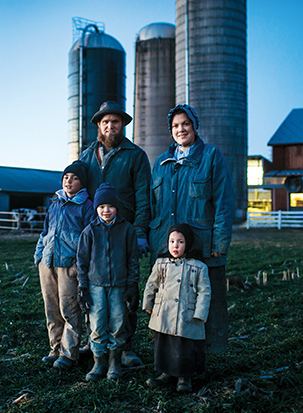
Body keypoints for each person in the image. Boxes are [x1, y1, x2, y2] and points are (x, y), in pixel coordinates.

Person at [149, 104, 234, 354]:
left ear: (195, 126)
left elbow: (224, 203)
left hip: (201, 247)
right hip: (167, 247)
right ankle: (167, 361)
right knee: (168, 305)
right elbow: (154, 206)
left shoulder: (211, 157)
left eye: (185, 123)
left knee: (202, 304)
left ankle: (202, 359)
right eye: (175, 126)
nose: (180, 129)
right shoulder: (162, 163)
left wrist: (219, 244)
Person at [79, 101, 151, 366]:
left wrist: (140, 231)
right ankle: (94, 341)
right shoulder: (87, 155)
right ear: (99, 125)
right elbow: (77, 190)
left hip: (125, 231)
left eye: (116, 122)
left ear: (123, 125)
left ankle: (126, 346)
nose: (110, 126)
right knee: (93, 288)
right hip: (95, 233)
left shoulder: (135, 155)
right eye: (105, 122)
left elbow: (144, 195)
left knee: (124, 289)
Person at [34, 160, 96, 371]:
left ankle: (69, 354)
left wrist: (79, 265)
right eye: (66, 177)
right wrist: (39, 256)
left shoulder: (86, 207)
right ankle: (55, 347)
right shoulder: (55, 204)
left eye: (75, 178)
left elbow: (88, 238)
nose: (69, 181)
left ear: (82, 183)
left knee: (69, 308)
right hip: (48, 263)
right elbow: (44, 233)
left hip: (69, 266)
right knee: (51, 308)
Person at [76, 183, 140, 381]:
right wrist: (83, 287)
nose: (106, 210)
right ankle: (99, 362)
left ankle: (114, 363)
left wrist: (132, 286)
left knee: (119, 323)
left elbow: (133, 260)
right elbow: (82, 261)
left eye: (110, 206)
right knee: (97, 324)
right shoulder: (90, 231)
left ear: (117, 207)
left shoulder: (127, 230)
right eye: (101, 206)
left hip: (119, 286)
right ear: (96, 208)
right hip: (96, 286)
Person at [143, 224, 211, 393]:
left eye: (180, 242)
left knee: (184, 345)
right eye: (172, 241)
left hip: (186, 315)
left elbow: (205, 292)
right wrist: (148, 304)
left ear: (188, 243)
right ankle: (166, 373)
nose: (175, 245)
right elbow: (151, 285)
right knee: (165, 343)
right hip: (164, 312)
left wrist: (200, 313)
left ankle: (184, 377)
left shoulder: (199, 267)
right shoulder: (161, 263)